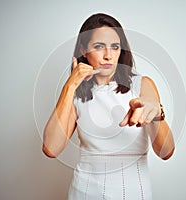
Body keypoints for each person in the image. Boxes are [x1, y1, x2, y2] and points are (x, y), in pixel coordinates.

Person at [42, 13, 175, 199]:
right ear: (83, 50)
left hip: (134, 193)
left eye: (115, 47)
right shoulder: (76, 95)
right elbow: (51, 148)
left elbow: (166, 152)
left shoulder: (142, 85)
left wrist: (156, 113)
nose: (108, 56)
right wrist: (70, 85)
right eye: (98, 47)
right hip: (85, 193)